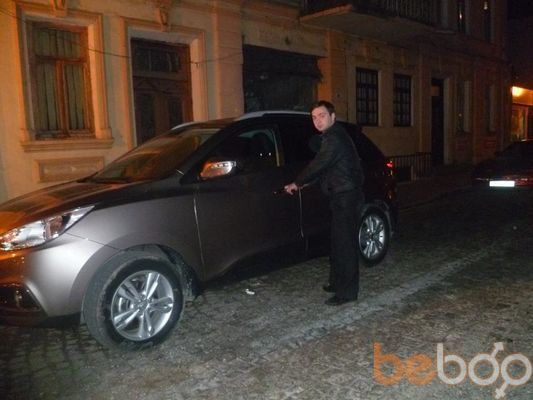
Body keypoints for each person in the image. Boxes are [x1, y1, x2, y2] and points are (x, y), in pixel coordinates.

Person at [284, 100, 364, 306]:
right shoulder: (331, 136)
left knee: (345, 245)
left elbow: (319, 164)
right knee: (337, 242)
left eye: (322, 115)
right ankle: (337, 282)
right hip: (340, 196)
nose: (317, 121)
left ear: (332, 117)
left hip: (346, 197)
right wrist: (305, 183)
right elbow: (326, 168)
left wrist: (297, 182)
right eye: (314, 117)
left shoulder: (334, 138)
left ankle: (347, 292)